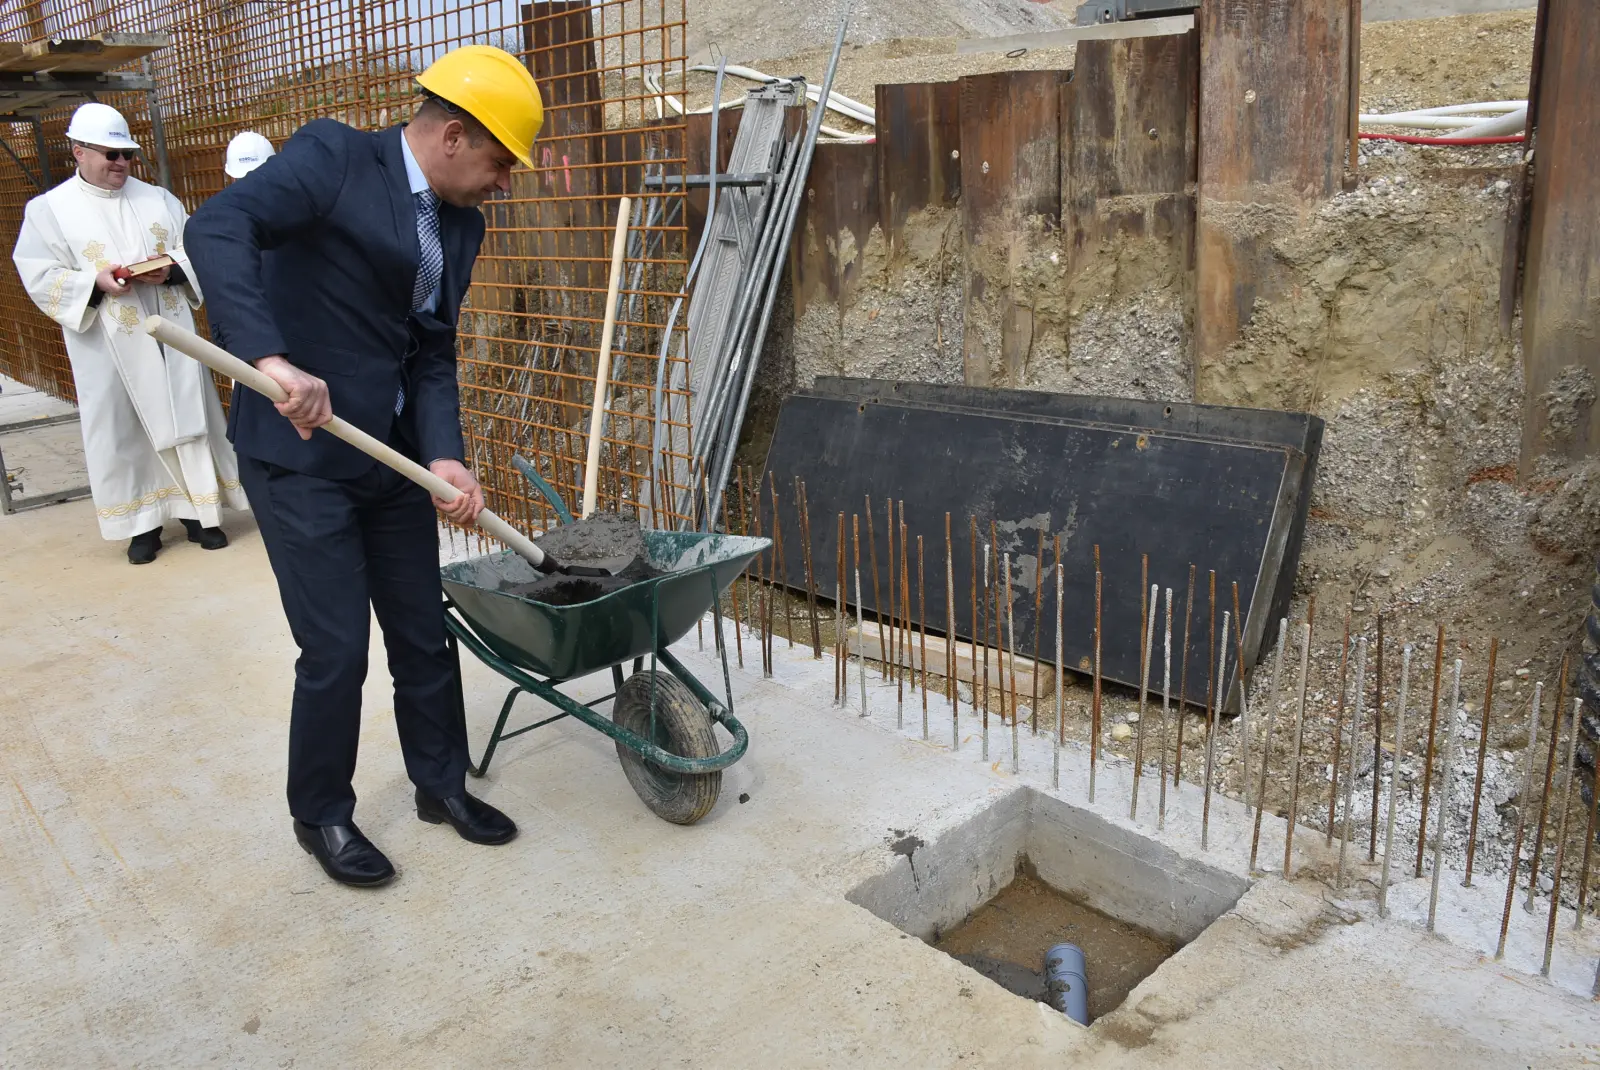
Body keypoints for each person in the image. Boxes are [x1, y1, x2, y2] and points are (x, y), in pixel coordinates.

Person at [186, 45, 545, 888]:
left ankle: (440, 784)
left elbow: (432, 349)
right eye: (500, 162)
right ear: (454, 135)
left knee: (423, 631)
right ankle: (322, 813)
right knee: (338, 646)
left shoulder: (461, 225)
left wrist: (446, 455)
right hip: (301, 456)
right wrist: (268, 358)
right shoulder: (335, 159)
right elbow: (217, 226)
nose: (504, 183)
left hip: (391, 460)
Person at [12, 102, 245, 564]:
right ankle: (143, 525)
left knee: (187, 414)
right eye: (109, 154)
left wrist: (172, 271)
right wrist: (92, 283)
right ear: (78, 152)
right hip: (106, 342)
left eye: (127, 155)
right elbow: (37, 273)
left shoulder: (158, 199)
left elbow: (192, 249)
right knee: (123, 428)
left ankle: (200, 514)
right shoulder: (49, 210)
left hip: (171, 335)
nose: (120, 163)